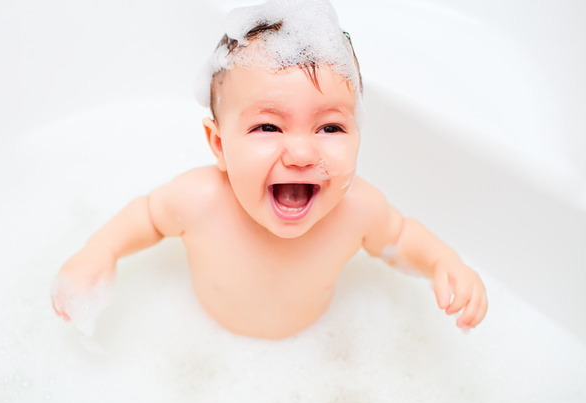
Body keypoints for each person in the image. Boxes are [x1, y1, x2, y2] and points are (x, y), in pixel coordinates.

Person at [51, 0, 487, 339]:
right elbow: (146, 217)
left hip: (314, 350)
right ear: (219, 145)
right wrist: (101, 250)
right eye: (268, 126)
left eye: (330, 126)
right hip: (206, 346)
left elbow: (399, 238)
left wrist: (442, 262)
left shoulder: (358, 209)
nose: (300, 152)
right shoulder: (199, 200)